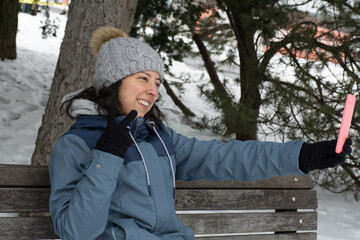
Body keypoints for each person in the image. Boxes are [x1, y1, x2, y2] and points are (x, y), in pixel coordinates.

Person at [48, 25, 353, 240]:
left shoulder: (156, 138)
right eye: (143, 78)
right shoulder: (77, 145)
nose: (153, 90)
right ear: (113, 83)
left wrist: (302, 155)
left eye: (157, 82)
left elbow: (224, 158)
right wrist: (108, 154)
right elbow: (78, 232)